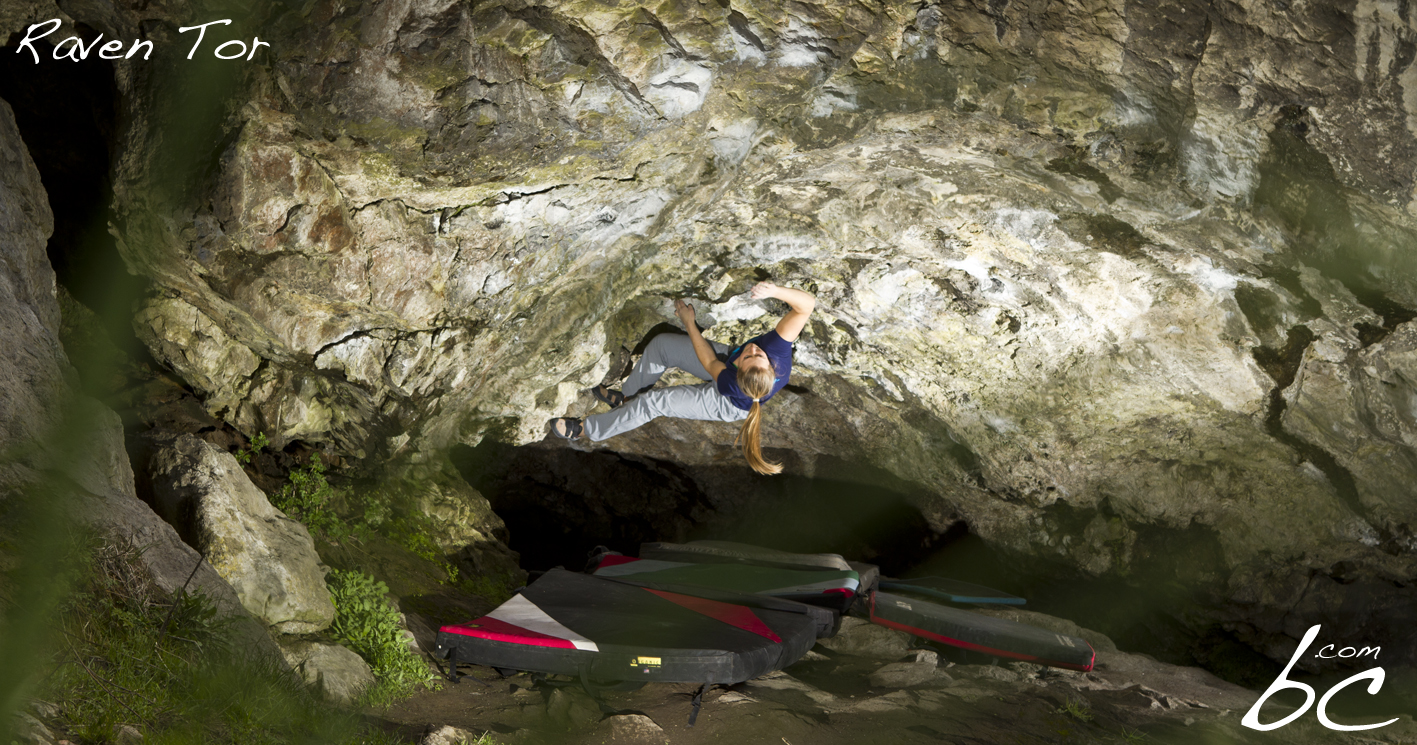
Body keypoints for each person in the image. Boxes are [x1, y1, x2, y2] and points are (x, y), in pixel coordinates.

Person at [550, 281, 816, 475]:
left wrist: (690, 323)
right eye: (757, 353)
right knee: (662, 345)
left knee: (654, 403)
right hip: (727, 361)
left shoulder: (730, 383)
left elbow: (710, 362)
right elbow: (806, 306)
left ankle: (587, 430)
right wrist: (775, 291)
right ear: (770, 366)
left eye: (749, 356)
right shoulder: (776, 353)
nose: (753, 349)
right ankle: (626, 396)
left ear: (740, 371)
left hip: (725, 403)